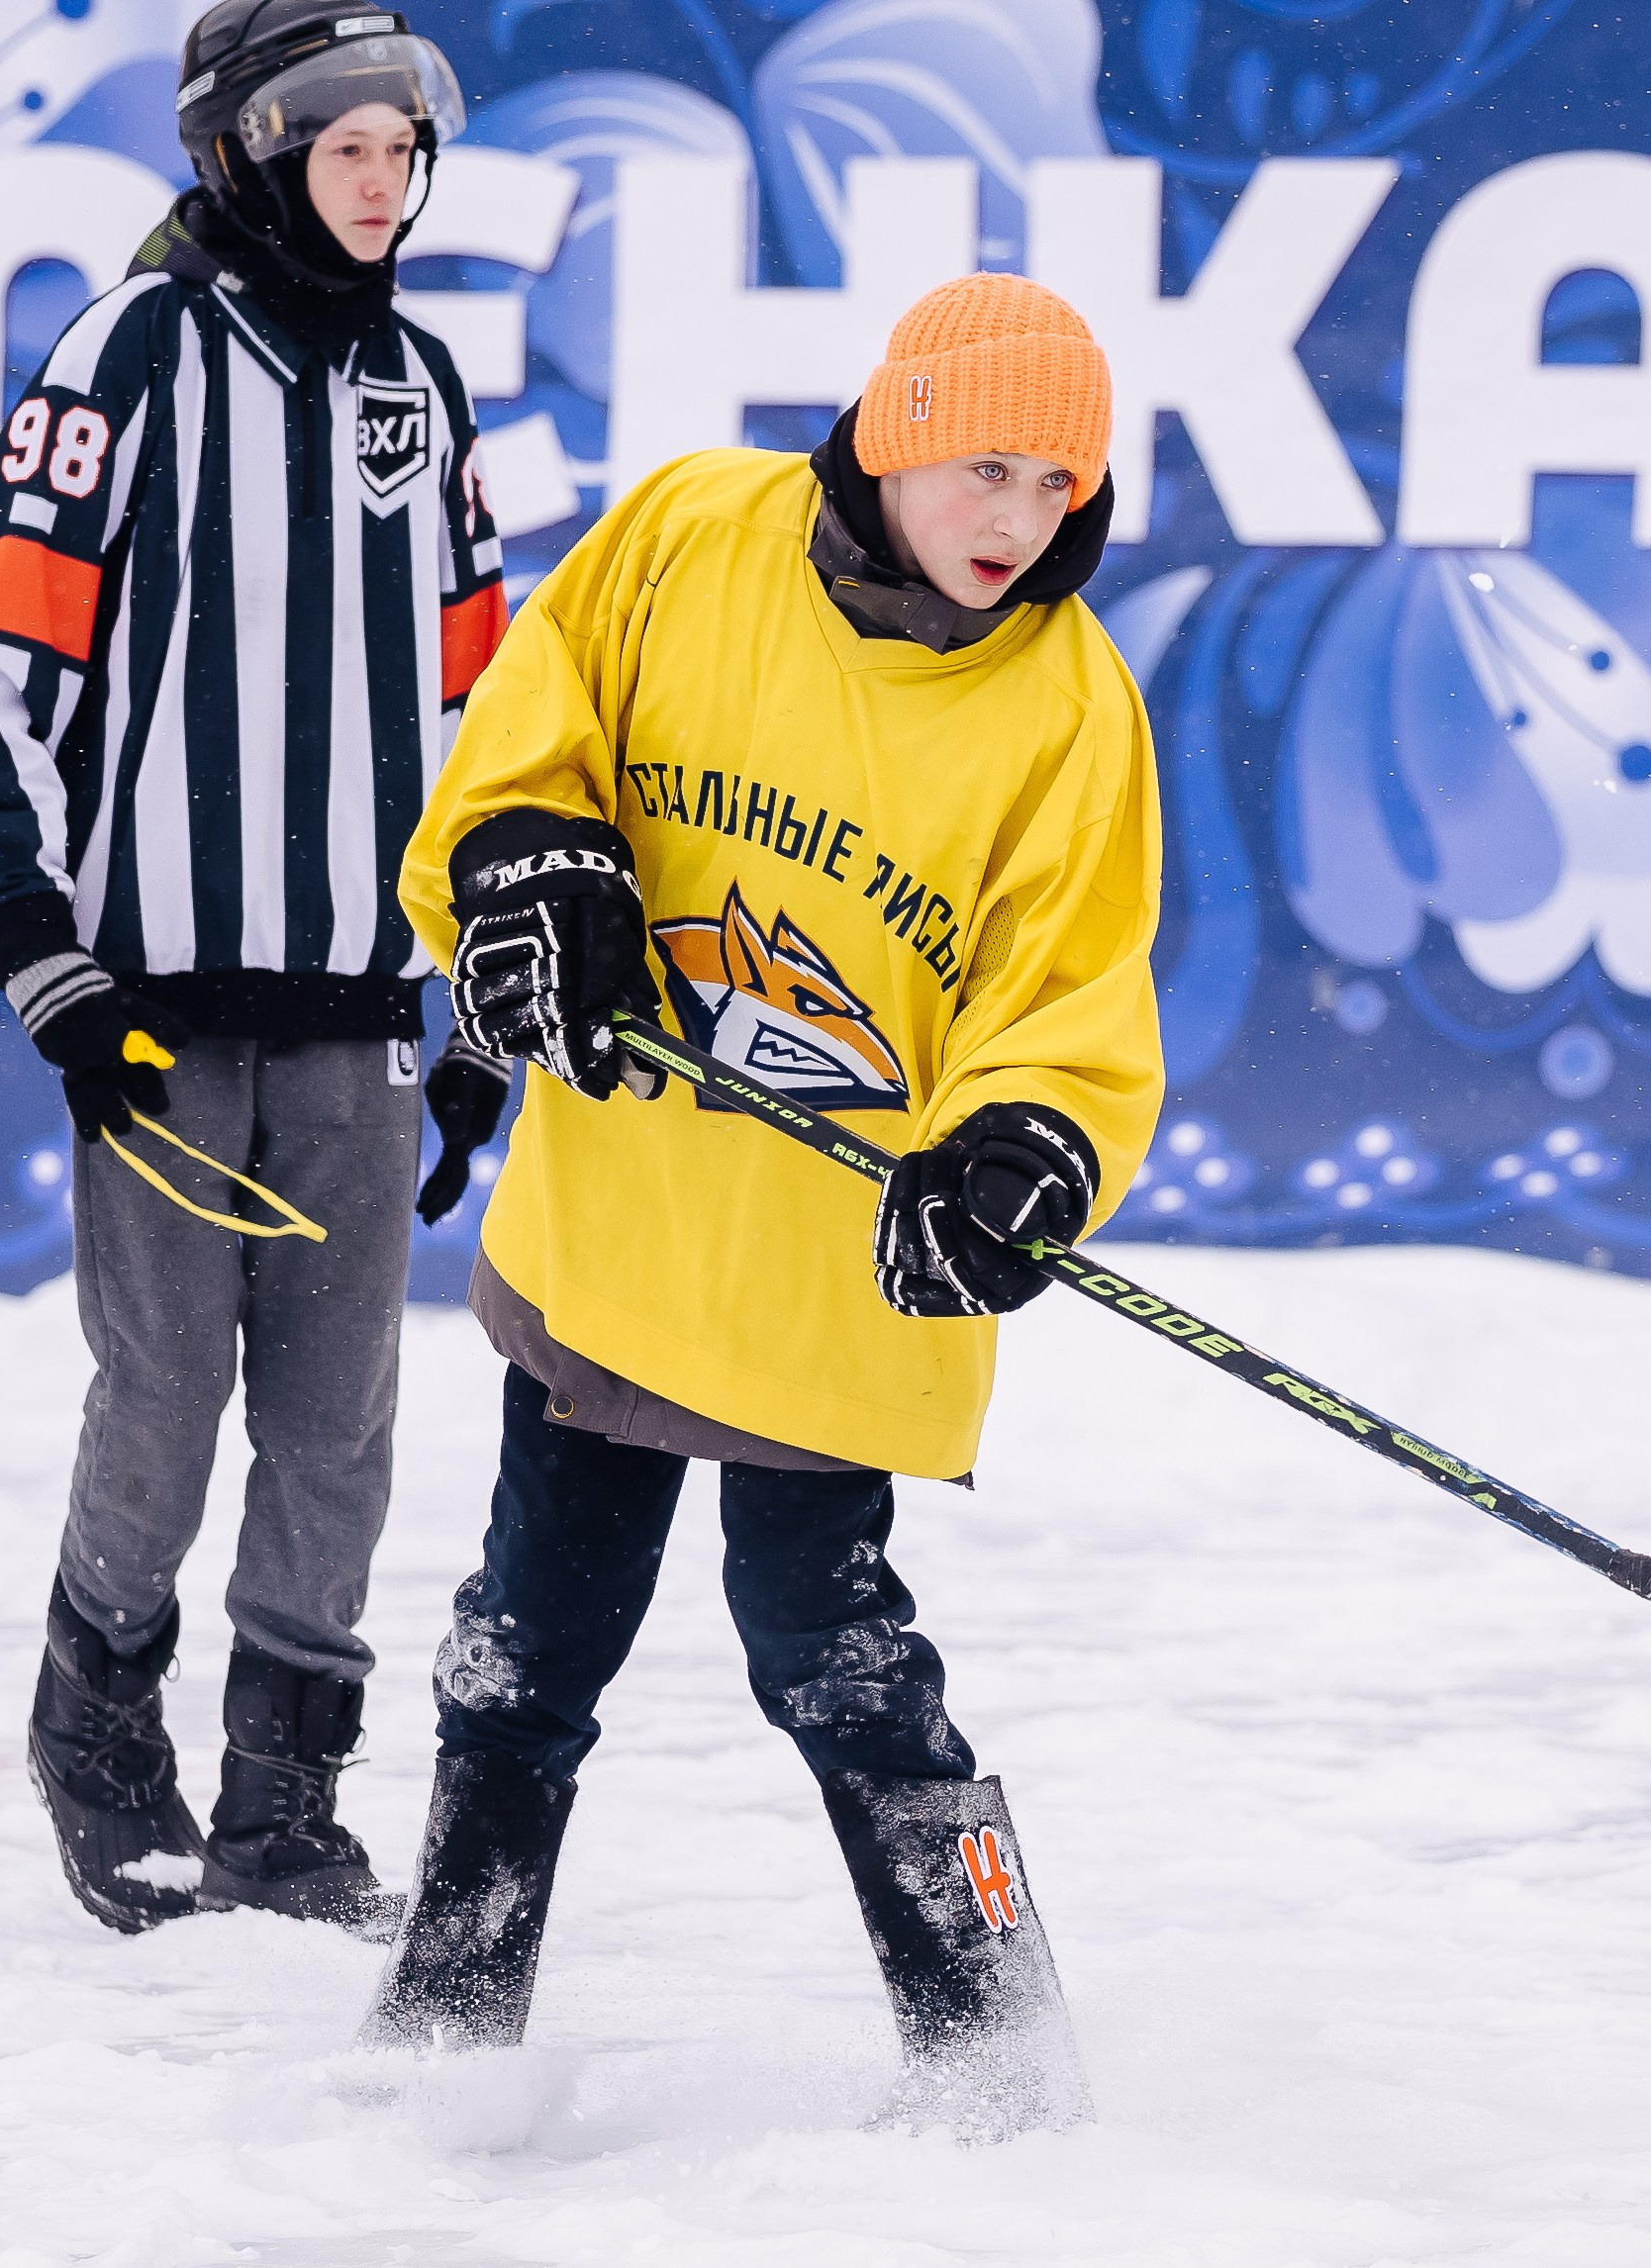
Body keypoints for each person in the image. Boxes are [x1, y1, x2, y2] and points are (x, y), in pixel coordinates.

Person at [366, 273, 1165, 2132]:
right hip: (624, 1224)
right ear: (891, 434)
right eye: (987, 465)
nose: (1017, 521)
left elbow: (1073, 1001)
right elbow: (523, 737)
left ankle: (1004, 2063)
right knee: (528, 1635)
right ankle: (446, 2016)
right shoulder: (686, 534)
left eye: (1059, 484)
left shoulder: (1067, 711)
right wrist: (530, 866)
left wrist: (1021, 1151)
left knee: (839, 1659)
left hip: (827, 1289)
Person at [0, 0, 513, 1937]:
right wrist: (41, 948)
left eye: (403, 150)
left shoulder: (422, 382)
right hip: (159, 997)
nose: (382, 181)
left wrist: (484, 1004)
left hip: (356, 1011)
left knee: (340, 1429)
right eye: (344, 144)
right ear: (246, 148)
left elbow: (488, 715)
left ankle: (285, 1803)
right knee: (163, 1403)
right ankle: (97, 1733)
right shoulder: (131, 352)